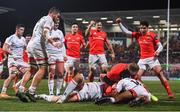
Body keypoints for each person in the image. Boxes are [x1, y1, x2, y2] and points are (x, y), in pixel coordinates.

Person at [116, 17, 174, 98]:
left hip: (152, 59)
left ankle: (170, 93)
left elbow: (160, 46)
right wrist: (119, 23)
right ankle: (146, 91)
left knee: (160, 74)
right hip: (142, 59)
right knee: (137, 77)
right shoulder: (138, 35)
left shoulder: (152, 35)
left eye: (144, 28)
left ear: (147, 28)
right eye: (141, 28)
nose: (142, 29)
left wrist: (157, 51)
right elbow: (126, 32)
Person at [17, 7, 61, 102]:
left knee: (32, 69)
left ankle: (20, 89)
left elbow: (38, 34)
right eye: (57, 16)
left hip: (31, 45)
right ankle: (31, 91)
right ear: (52, 13)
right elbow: (45, 32)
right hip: (37, 46)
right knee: (43, 68)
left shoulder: (42, 19)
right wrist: (53, 43)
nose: (58, 18)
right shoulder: (49, 19)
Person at [37, 70, 106, 103]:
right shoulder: (108, 82)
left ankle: (41, 96)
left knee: (60, 99)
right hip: (85, 86)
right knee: (79, 76)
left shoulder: (109, 93)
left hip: (85, 95)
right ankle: (67, 94)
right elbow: (102, 75)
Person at [0, 24, 29, 98]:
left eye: (23, 30)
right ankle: (3, 92)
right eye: (21, 30)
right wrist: (13, 54)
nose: (22, 31)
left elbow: (26, 48)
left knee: (30, 71)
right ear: (17, 29)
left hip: (20, 60)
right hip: (13, 59)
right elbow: (4, 48)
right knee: (13, 75)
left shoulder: (23, 39)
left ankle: (17, 86)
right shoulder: (11, 38)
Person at [46, 21, 65, 95]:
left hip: (59, 55)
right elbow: (44, 43)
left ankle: (58, 92)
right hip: (51, 54)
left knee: (60, 73)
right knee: (51, 74)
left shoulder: (60, 32)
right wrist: (47, 53)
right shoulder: (48, 32)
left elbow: (62, 44)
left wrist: (64, 54)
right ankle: (51, 92)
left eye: (58, 23)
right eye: (55, 23)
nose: (57, 24)